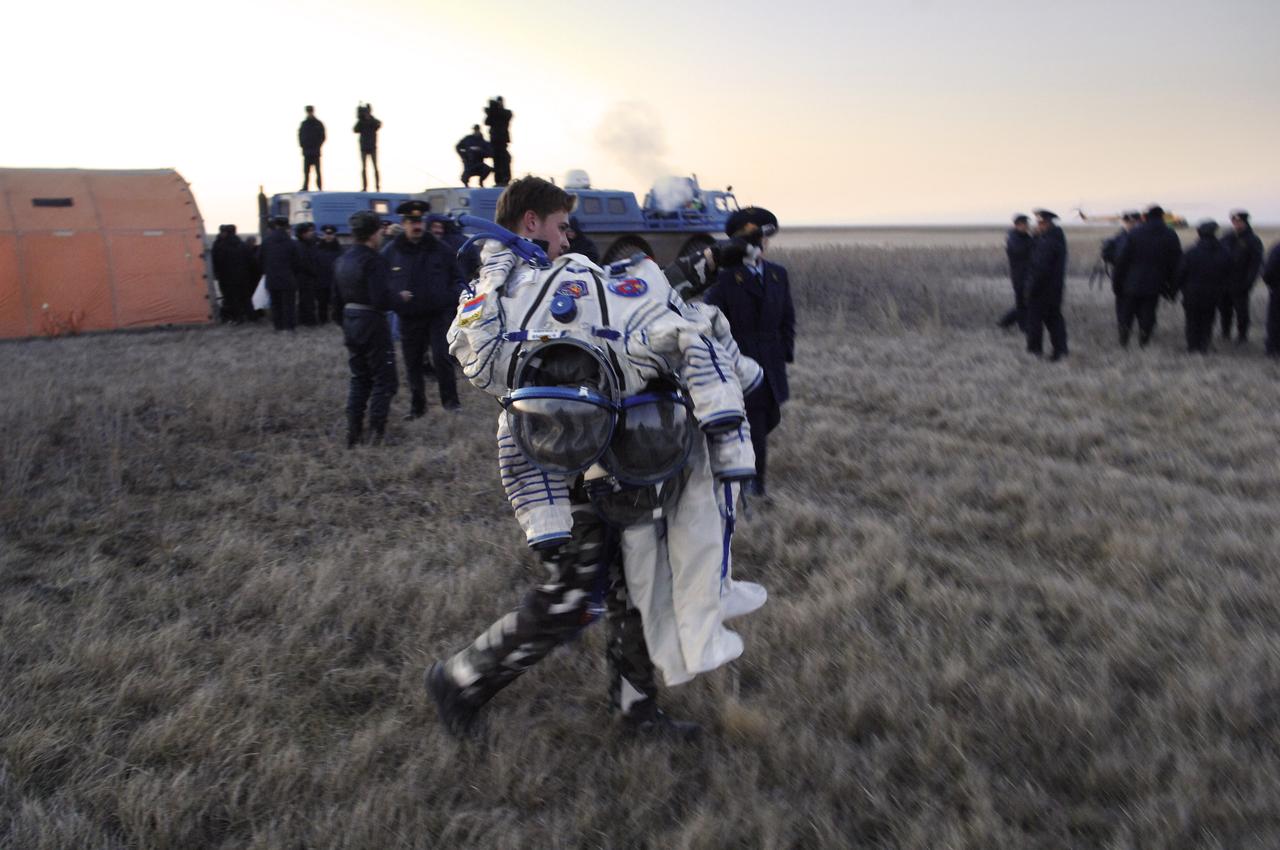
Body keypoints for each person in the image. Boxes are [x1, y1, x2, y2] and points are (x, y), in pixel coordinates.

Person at [426, 176, 766, 739]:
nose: (568, 238)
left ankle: (635, 709)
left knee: (629, 586)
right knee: (572, 596)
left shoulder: (558, 275)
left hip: (615, 463)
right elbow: (495, 353)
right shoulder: (507, 285)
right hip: (565, 471)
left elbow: (635, 296)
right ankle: (460, 679)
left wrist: (712, 261)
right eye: (561, 227)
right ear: (531, 223)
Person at [703, 207, 794, 498]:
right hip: (742, 361)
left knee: (770, 419)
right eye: (757, 237)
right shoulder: (725, 279)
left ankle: (740, 470)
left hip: (772, 361)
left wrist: (784, 353)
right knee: (754, 425)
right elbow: (709, 319)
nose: (763, 244)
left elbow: (787, 319)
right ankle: (754, 487)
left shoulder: (778, 274)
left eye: (766, 238)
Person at [384, 200, 462, 418]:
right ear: (404, 223)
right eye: (411, 222)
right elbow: (382, 282)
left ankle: (451, 403)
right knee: (413, 363)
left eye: (419, 221)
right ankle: (417, 407)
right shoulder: (392, 251)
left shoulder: (441, 249)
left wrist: (448, 298)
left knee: (442, 358)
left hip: (438, 315)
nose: (416, 226)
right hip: (409, 316)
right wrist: (396, 298)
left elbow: (458, 279)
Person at [334, 210, 397, 446]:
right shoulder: (374, 260)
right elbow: (381, 299)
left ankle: (353, 432)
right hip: (372, 321)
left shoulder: (342, 259)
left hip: (351, 320)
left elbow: (335, 301)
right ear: (374, 233)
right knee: (384, 379)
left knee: (359, 377)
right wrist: (399, 297)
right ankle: (376, 433)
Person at [1114, 205, 1181, 348]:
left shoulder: (1135, 233)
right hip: (1156, 283)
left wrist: (1117, 281)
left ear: (1146, 217)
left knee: (1127, 311)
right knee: (1148, 312)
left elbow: (1122, 260)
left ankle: (1124, 337)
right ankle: (1144, 339)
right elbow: (1176, 262)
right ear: (1162, 216)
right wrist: (1172, 287)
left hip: (1131, 281)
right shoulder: (1170, 234)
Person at [1174, 220, 1232, 354]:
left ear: (1199, 233)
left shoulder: (1191, 252)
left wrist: (1175, 289)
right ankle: (1204, 345)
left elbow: (1180, 272)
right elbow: (1229, 273)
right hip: (1213, 293)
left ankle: (1192, 346)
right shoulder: (1224, 253)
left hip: (1192, 292)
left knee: (1192, 320)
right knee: (1208, 319)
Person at [1024, 209, 1069, 361]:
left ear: (1048, 223)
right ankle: (1061, 351)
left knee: (1035, 322)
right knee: (1054, 320)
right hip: (1053, 289)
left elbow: (1040, 268)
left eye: (1041, 223)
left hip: (1043, 289)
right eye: (1037, 222)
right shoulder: (1053, 238)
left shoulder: (1049, 242)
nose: (1038, 225)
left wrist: (1030, 288)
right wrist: (1035, 237)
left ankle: (1035, 351)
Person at [1218, 210, 1264, 345]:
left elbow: (1256, 264)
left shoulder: (1253, 240)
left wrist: (1248, 282)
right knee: (1224, 310)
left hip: (1241, 282)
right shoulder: (1227, 237)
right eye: (1234, 222)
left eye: (1239, 222)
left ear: (1245, 223)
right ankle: (1225, 333)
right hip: (1225, 282)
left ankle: (1242, 336)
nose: (1236, 224)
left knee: (1241, 312)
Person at [260, 215, 304, 332]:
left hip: (272, 277)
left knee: (276, 303)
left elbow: (260, 258)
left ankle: (278, 326)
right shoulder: (291, 243)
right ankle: (290, 326)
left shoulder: (266, 241)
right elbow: (298, 261)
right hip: (288, 277)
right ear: (287, 226)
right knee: (289, 304)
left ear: (275, 225)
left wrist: (267, 270)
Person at [1101, 211, 1141, 331]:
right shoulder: (1118, 238)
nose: (1129, 225)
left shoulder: (1143, 238)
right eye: (1127, 222)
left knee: (1140, 306)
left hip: (1139, 278)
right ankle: (1123, 328)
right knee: (1122, 305)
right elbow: (1109, 256)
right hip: (1122, 277)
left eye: (1132, 222)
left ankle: (1143, 329)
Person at [211, 224, 256, 323]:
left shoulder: (220, 246)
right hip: (243, 276)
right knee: (246, 297)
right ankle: (251, 316)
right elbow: (251, 261)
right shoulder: (242, 245)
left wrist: (218, 274)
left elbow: (217, 262)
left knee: (232, 298)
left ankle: (237, 318)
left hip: (227, 277)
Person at [998, 214, 1032, 331]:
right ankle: (1009, 324)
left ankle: (1006, 323)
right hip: (1019, 275)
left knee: (1024, 303)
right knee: (1022, 303)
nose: (1028, 226)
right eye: (1025, 224)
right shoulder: (1013, 238)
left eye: (1028, 224)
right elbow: (1019, 251)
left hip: (1027, 274)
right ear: (1018, 225)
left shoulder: (1025, 236)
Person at [293, 223, 320, 326]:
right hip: (305, 277)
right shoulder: (301, 246)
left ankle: (305, 319)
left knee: (306, 299)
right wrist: (314, 271)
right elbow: (304, 262)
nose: (311, 233)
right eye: (309, 231)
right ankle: (309, 320)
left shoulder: (307, 244)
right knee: (307, 299)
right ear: (303, 233)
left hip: (305, 276)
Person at [314, 224, 342, 323]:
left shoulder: (339, 249)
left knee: (336, 300)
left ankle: (336, 317)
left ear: (334, 235)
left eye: (330, 234)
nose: (328, 236)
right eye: (326, 234)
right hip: (321, 278)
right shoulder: (318, 248)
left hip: (334, 278)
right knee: (322, 301)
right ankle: (323, 319)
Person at [484, 96, 513, 186]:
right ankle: (498, 180)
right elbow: (487, 122)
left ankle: (505, 179)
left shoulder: (506, 113)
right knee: (496, 162)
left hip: (502, 141)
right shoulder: (493, 114)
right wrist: (492, 108)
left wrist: (494, 108)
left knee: (505, 160)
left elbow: (505, 115)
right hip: (494, 142)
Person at [354, 103, 382, 192]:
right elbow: (355, 129)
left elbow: (379, 124)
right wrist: (362, 120)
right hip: (364, 147)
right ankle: (365, 187)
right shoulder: (361, 122)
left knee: (375, 167)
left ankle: (377, 187)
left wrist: (369, 119)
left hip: (372, 147)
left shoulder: (373, 121)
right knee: (364, 168)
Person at [298, 105, 325, 191]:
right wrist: (303, 145)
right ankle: (306, 187)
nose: (309, 113)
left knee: (317, 171)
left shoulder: (318, 124)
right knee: (306, 172)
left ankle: (319, 187)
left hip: (315, 151)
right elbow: (300, 136)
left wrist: (318, 145)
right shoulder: (304, 124)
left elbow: (323, 136)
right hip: (307, 151)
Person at [1263, 241, 1280, 357]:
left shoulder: (1277, 249)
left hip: (1278, 290)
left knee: (1275, 319)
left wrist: (1271, 284)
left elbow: (1268, 270)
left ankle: (1273, 349)